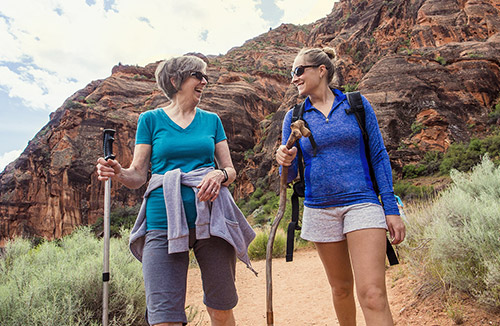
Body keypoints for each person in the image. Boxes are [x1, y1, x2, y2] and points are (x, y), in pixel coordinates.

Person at [96, 54, 256, 326]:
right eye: (199, 76)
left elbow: (230, 170)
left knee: (220, 309)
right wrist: (119, 173)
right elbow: (137, 175)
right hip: (161, 223)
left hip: (213, 222)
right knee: (164, 318)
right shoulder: (151, 120)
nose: (205, 82)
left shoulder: (212, 120)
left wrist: (218, 174)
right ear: (175, 80)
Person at [275, 47, 406, 326]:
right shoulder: (295, 116)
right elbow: (285, 177)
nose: (293, 78)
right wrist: (283, 159)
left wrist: (391, 208)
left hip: (362, 202)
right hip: (319, 207)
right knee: (341, 289)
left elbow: (379, 155)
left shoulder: (356, 105)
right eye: (291, 73)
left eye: (298, 71)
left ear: (321, 70)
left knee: (372, 294)